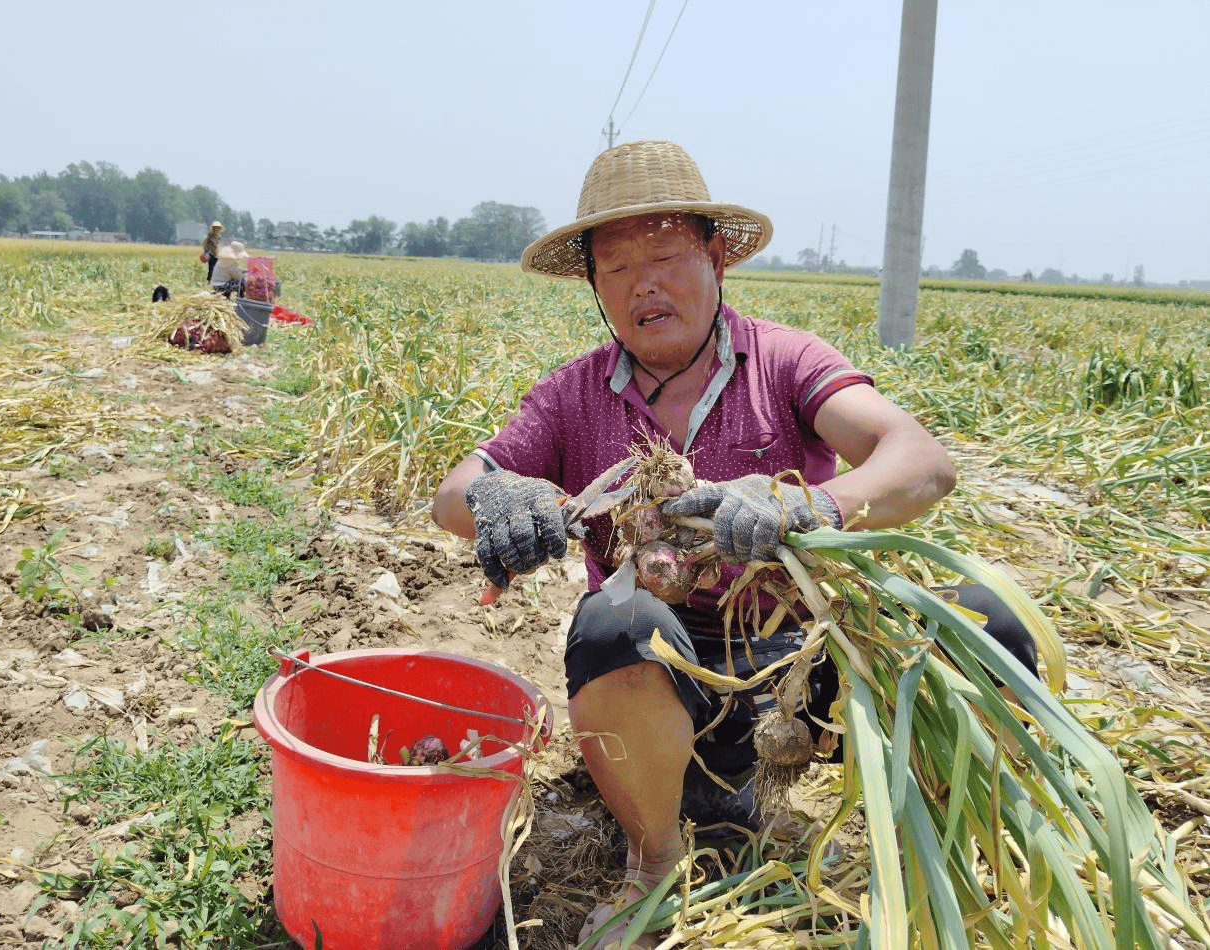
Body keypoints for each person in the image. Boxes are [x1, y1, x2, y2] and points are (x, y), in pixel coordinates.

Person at [432, 140, 1038, 950]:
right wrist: (498, 494)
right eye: (615, 266)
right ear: (592, 286)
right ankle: (653, 863)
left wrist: (808, 501)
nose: (643, 283)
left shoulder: (784, 362)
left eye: (666, 254)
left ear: (717, 258)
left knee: (983, 623)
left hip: (805, 657)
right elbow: (452, 492)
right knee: (613, 622)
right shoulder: (573, 394)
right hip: (663, 671)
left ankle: (962, 856)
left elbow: (921, 464)